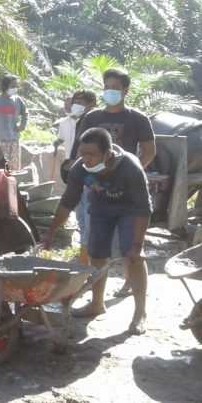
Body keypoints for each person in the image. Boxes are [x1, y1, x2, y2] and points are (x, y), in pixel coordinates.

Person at [42, 127, 151, 335]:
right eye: (83, 154)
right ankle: (97, 304)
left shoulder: (130, 167)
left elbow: (143, 208)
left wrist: (137, 245)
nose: (86, 159)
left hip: (130, 210)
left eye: (91, 154)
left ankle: (140, 313)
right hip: (101, 208)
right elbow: (67, 202)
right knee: (96, 253)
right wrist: (51, 233)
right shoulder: (80, 168)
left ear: (108, 154)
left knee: (135, 257)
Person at [69, 70, 156, 295]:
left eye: (114, 87)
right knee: (91, 235)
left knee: (129, 240)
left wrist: (132, 177)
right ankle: (91, 285)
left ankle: (129, 282)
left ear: (125, 90)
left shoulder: (137, 118)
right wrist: (84, 177)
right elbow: (77, 154)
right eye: (106, 86)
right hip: (94, 187)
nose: (109, 91)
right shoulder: (92, 118)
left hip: (126, 191)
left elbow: (149, 152)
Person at [58, 90, 98, 265]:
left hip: (89, 175)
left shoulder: (95, 121)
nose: (76, 104)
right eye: (74, 101)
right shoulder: (75, 121)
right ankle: (85, 258)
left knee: (89, 218)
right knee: (81, 217)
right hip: (77, 173)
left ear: (91, 104)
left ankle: (86, 261)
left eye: (80, 101)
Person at [0, 74, 28, 170]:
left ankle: (14, 184)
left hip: (14, 140)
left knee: (14, 168)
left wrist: (22, 125)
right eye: (12, 86)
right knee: (1, 168)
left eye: (16, 86)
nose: (15, 88)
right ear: (5, 86)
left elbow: (25, 113)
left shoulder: (18, 100)